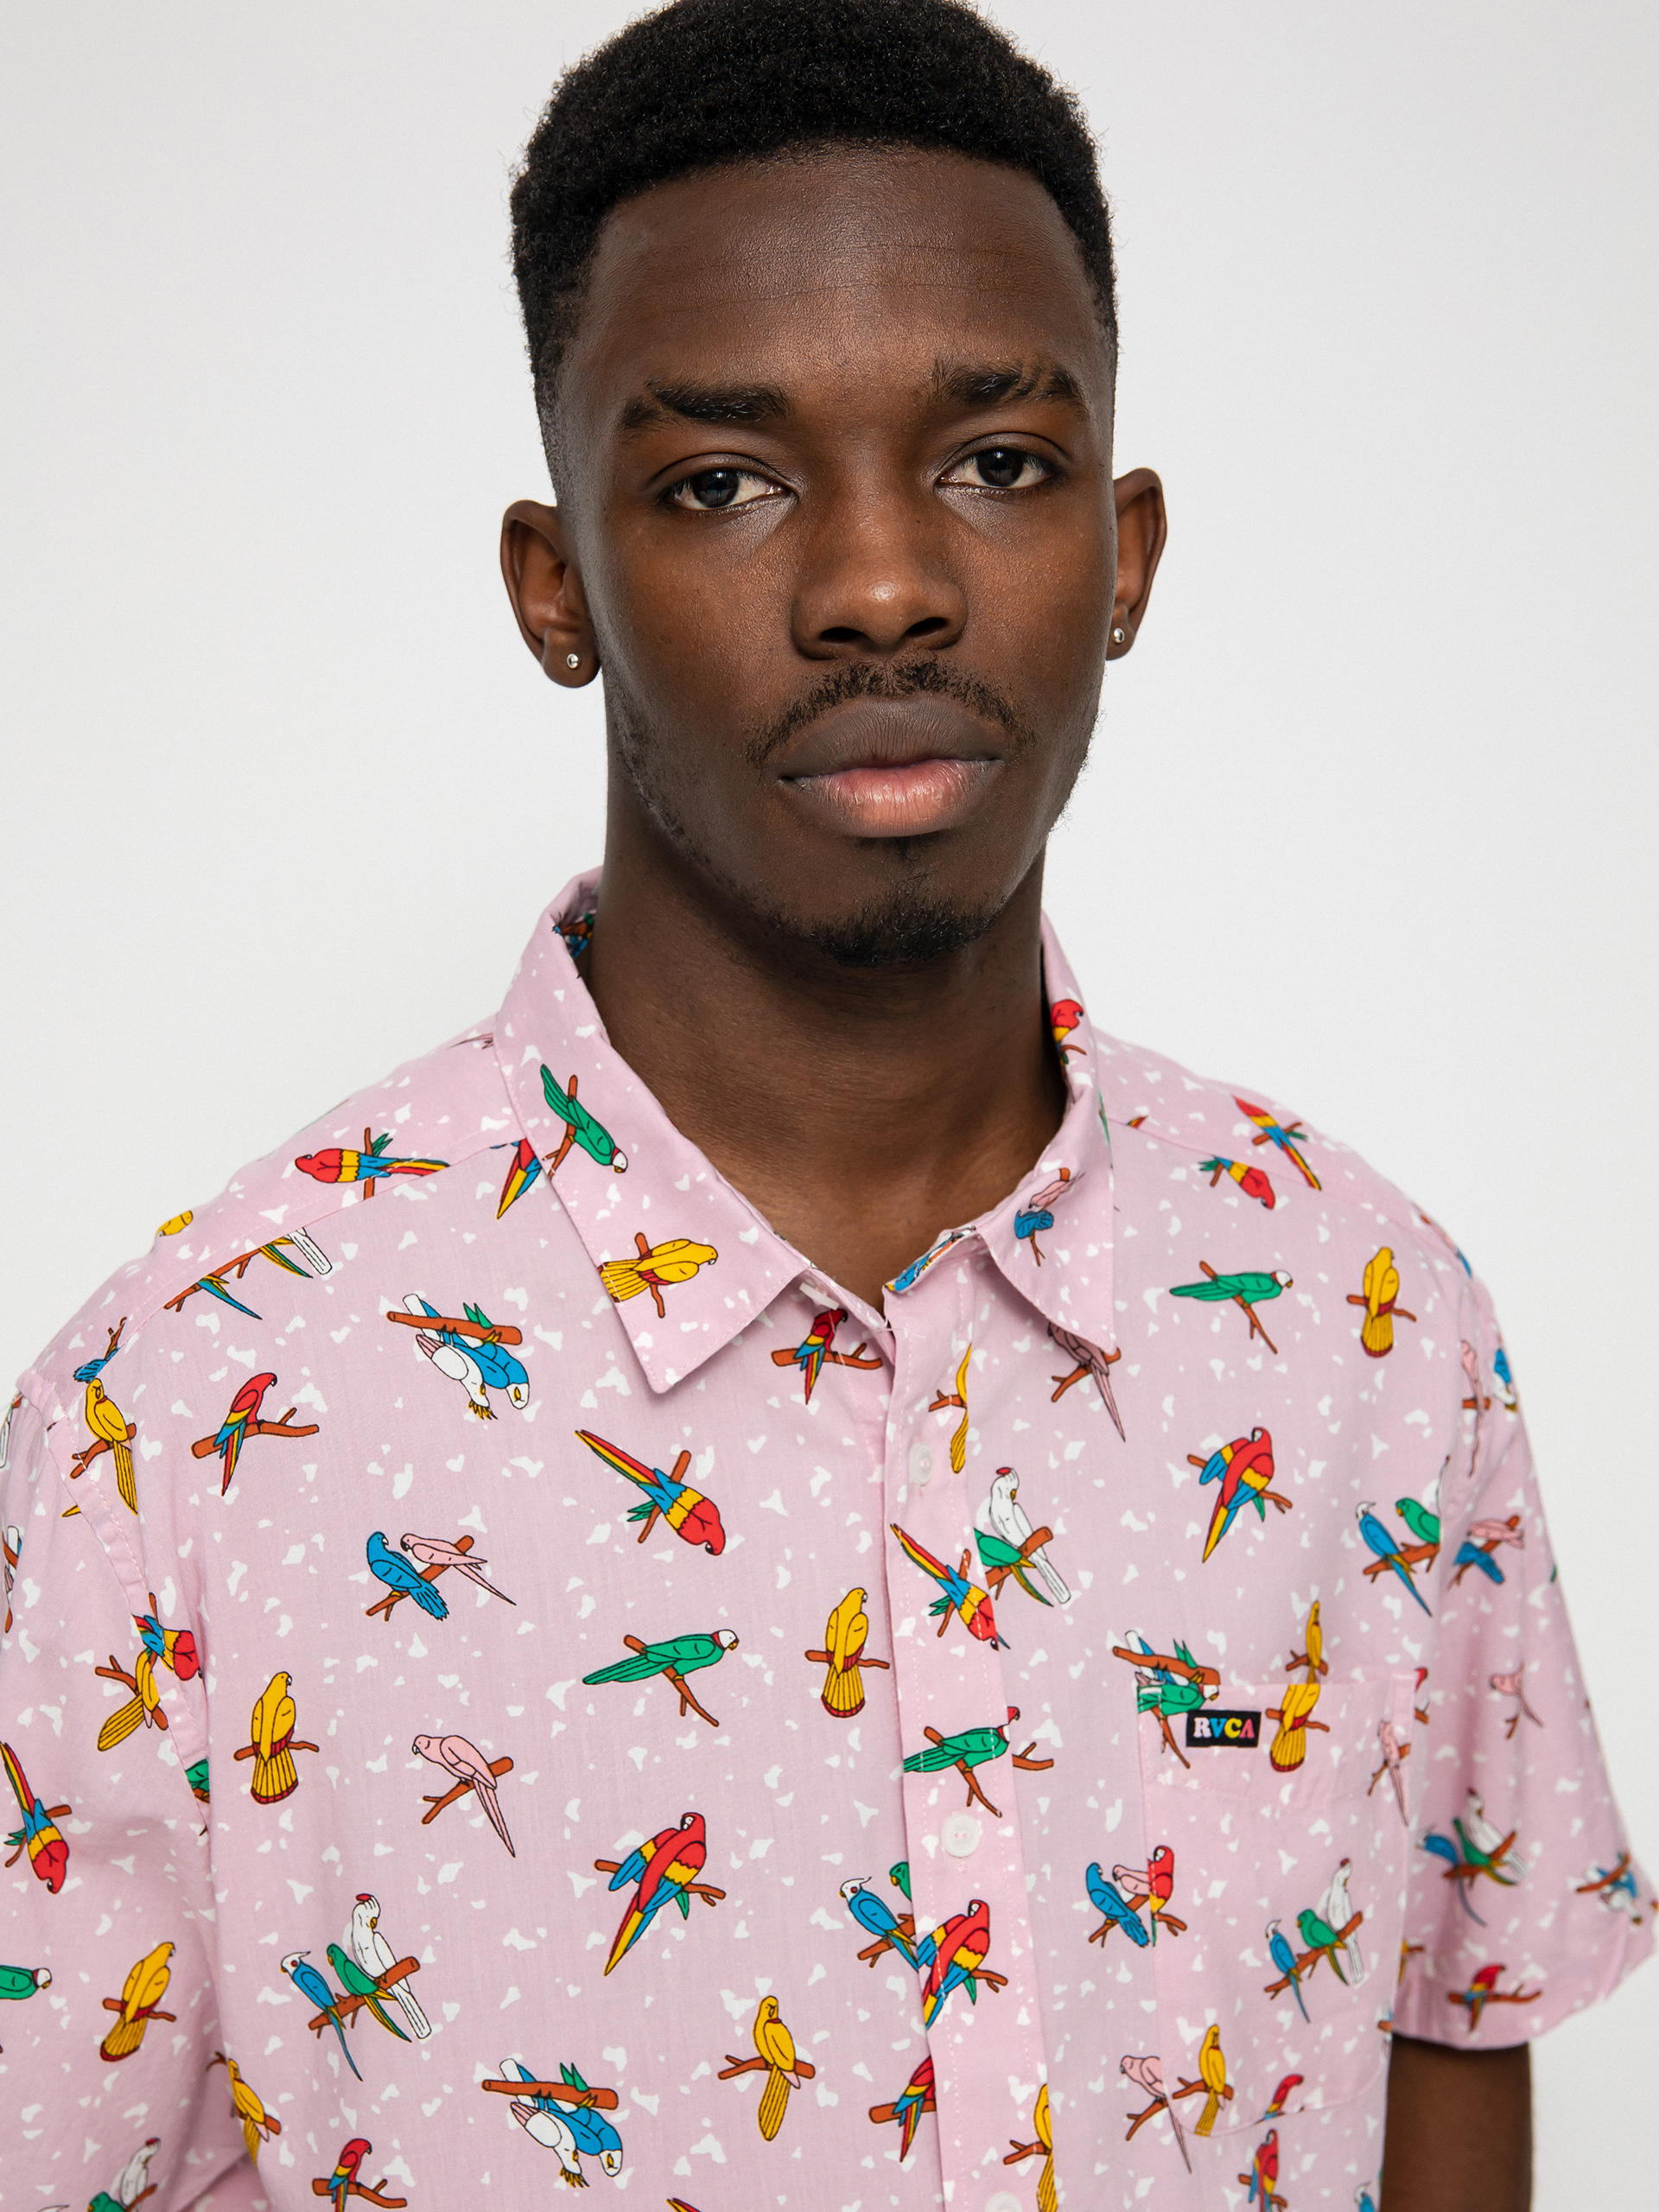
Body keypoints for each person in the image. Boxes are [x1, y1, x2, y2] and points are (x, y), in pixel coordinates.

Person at [1, 3, 1647, 2207]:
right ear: (558, 587)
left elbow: (1451, 2054)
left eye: (998, 461)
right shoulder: (180, 1423)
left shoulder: (1376, 1326)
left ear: (1128, 552)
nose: (884, 583)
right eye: (723, 481)